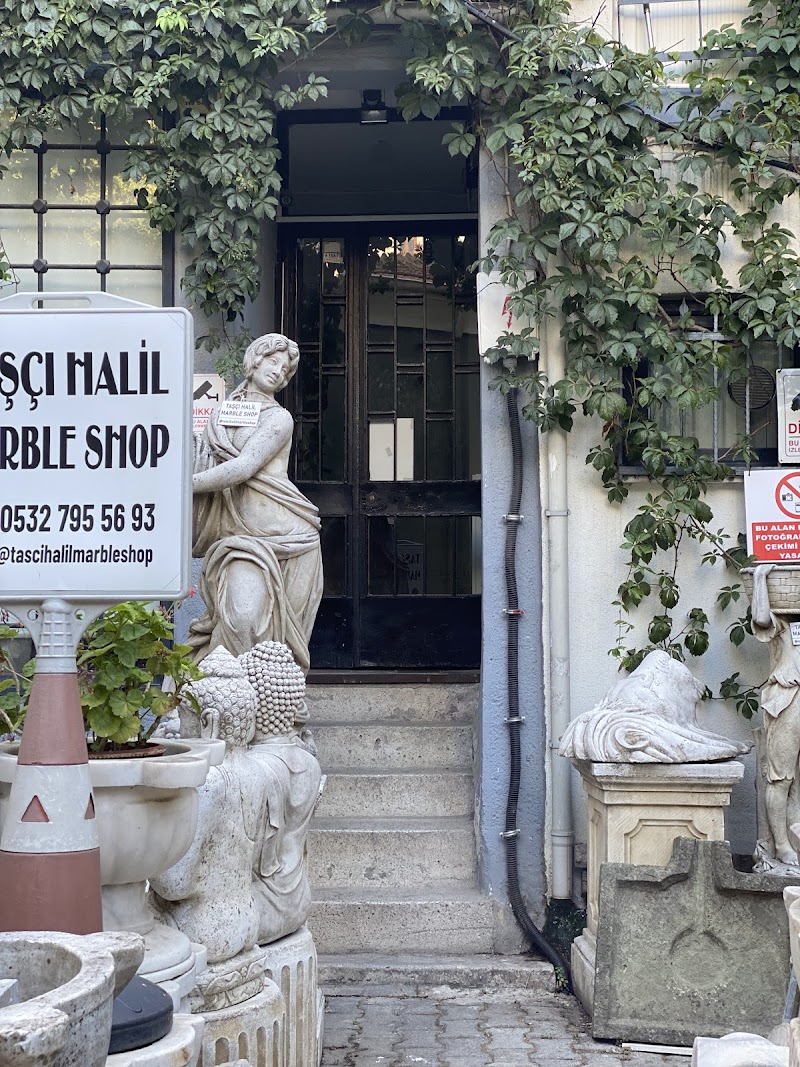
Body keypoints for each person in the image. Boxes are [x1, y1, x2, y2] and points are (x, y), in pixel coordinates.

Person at [190, 334, 323, 671]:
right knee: (242, 618)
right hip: (239, 538)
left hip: (291, 541)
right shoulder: (222, 412)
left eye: (285, 369)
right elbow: (204, 459)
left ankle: (265, 703)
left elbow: (244, 467)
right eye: (272, 361)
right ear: (254, 360)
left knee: (276, 651)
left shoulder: (279, 419)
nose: (278, 371)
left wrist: (182, 486)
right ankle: (222, 696)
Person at [751, 564, 800, 866]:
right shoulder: (785, 621)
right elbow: (760, 618)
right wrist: (760, 578)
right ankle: (781, 845)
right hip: (789, 699)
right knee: (780, 777)